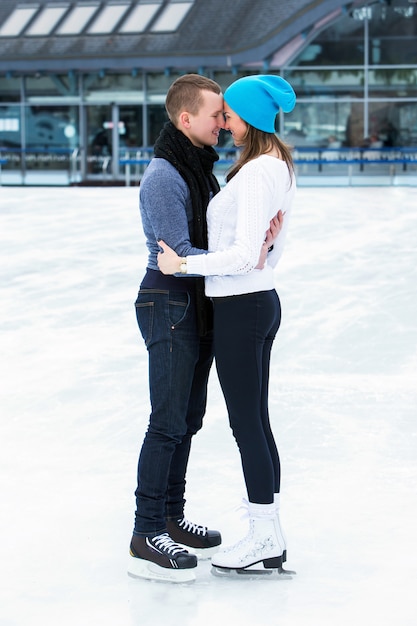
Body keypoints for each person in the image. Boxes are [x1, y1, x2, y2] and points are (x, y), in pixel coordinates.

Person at [128, 74, 281, 584]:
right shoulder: (164, 177)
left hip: (196, 301)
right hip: (168, 301)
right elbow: (180, 255)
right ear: (185, 119)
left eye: (226, 115)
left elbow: (217, 241)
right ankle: (147, 528)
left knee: (188, 419)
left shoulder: (201, 170)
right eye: (216, 114)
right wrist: (246, 256)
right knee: (167, 420)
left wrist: (253, 248)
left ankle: (172, 515)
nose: (223, 122)